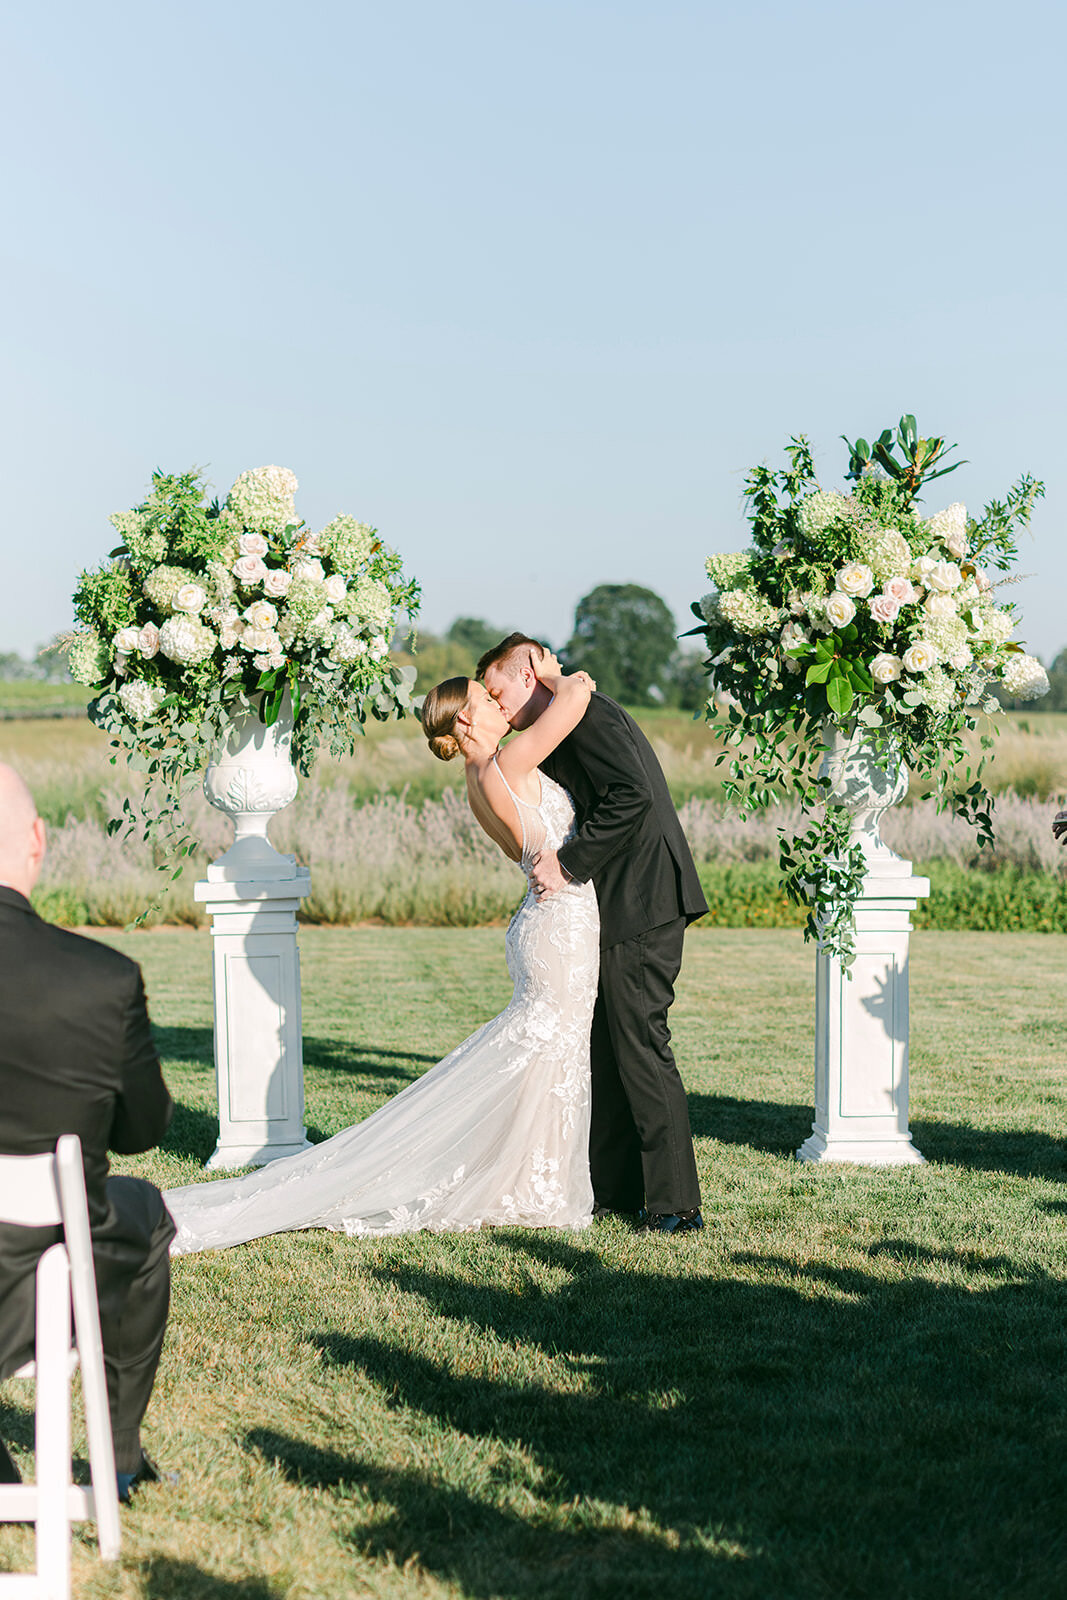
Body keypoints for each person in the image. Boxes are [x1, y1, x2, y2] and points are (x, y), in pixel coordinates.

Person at [162, 652, 600, 1253]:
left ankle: (532, 1184)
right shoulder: (506, 765)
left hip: (548, 922)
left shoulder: (478, 783)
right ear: (467, 724)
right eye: (488, 701)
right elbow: (577, 698)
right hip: (559, 925)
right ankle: (532, 1189)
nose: (501, 706)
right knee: (549, 1053)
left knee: (548, 1057)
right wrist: (548, 670)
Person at [478, 634, 708, 1234]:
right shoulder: (566, 718)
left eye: (498, 689)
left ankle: (674, 1204)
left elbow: (631, 796)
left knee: (639, 1044)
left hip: (642, 900)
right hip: (611, 909)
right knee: (604, 1050)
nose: (496, 706)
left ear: (528, 671)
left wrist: (569, 862)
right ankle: (612, 1188)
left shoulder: (588, 716)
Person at [0, 764, 175, 1500]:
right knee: (145, 1211)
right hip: (28, 1292)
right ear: (37, 841)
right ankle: (121, 1453)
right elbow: (143, 1130)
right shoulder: (102, 979)